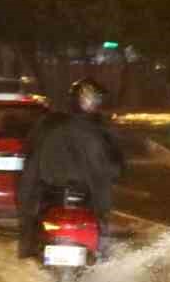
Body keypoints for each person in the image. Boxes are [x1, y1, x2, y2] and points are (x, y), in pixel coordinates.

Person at [17, 78, 125, 257]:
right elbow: (31, 158)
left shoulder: (100, 128)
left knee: (102, 236)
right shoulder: (52, 124)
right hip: (50, 194)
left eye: (94, 99)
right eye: (89, 98)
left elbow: (115, 163)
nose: (91, 103)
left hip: (83, 197)